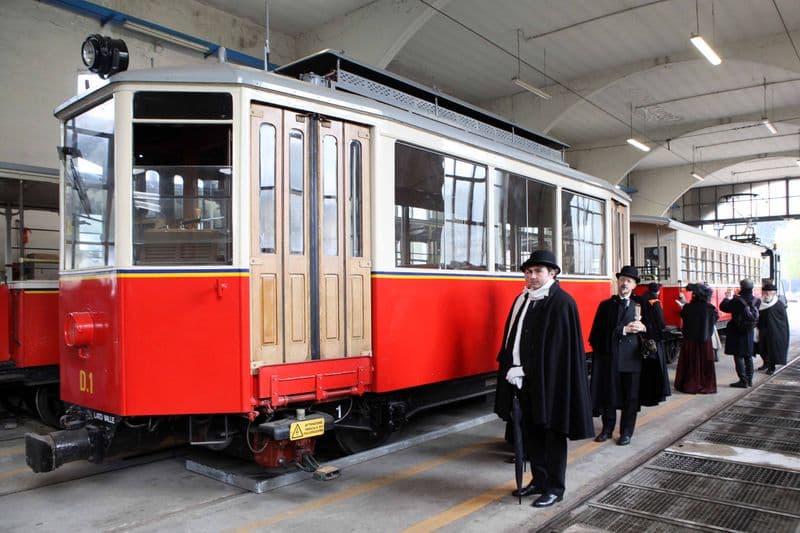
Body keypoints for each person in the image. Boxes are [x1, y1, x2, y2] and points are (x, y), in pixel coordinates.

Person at [494, 249, 593, 508]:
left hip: (551, 384)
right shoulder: (523, 299)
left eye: (538, 271)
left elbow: (558, 352)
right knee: (531, 432)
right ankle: (539, 480)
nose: (532, 276)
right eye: (528, 272)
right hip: (522, 382)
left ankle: (555, 488)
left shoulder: (561, 302)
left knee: (552, 434)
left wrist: (524, 369)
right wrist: (509, 366)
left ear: (552, 273)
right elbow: (513, 337)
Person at [589, 265, 664, 446]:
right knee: (609, 395)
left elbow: (658, 330)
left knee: (631, 398)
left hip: (634, 359)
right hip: (611, 358)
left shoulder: (643, 305)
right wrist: (622, 329)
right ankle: (607, 430)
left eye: (629, 281)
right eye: (622, 279)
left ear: (635, 285)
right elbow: (596, 335)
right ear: (618, 282)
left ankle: (626, 432)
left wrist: (644, 328)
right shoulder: (606, 306)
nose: (624, 283)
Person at [674, 283, 719, 393]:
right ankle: (705, 384)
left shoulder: (688, 308)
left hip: (690, 340)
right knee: (705, 362)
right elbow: (714, 320)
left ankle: (689, 384)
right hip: (705, 340)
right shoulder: (710, 308)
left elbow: (683, 315)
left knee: (690, 361)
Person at [720, 279, 761, 388]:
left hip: (737, 331)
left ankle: (743, 380)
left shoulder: (737, 301)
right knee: (748, 356)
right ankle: (749, 380)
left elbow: (723, 307)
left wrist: (727, 298)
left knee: (738, 356)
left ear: (741, 287)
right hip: (749, 331)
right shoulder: (757, 300)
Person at [639, 282, 671, 403]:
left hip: (644, 332)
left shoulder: (643, 298)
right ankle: (659, 389)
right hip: (654, 336)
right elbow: (660, 320)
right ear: (658, 291)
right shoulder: (655, 301)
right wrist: (663, 329)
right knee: (657, 361)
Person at [757, 283, 789, 375]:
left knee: (772, 349)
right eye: (765, 292)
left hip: (774, 332)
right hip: (762, 330)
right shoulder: (761, 303)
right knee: (762, 349)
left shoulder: (778, 305)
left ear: (774, 293)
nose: (766, 294)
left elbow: (782, 321)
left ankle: (772, 367)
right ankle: (765, 363)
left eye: (769, 292)